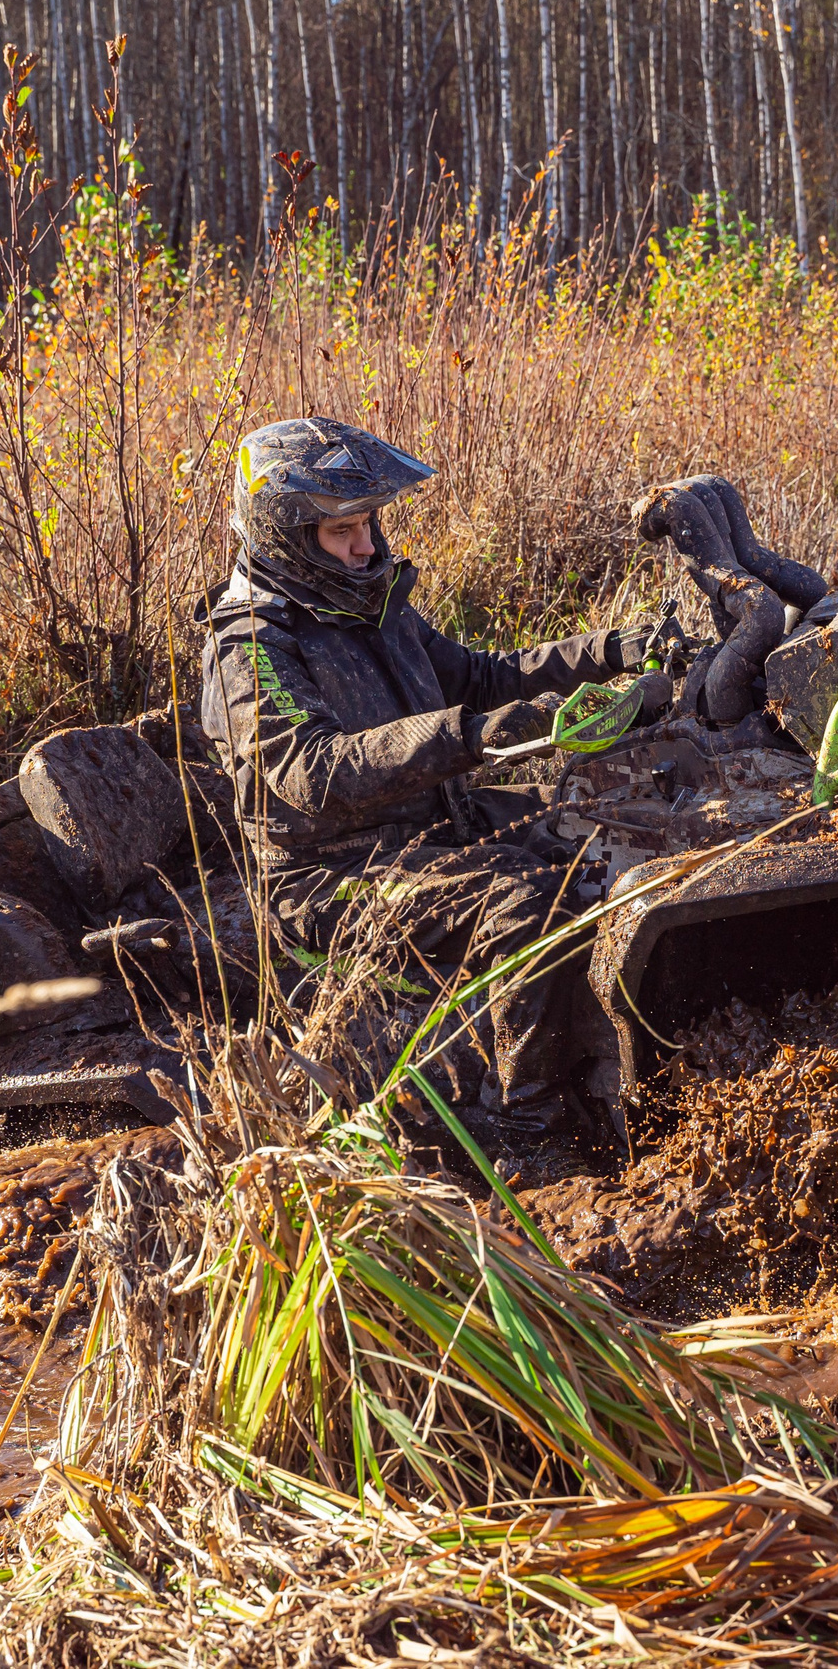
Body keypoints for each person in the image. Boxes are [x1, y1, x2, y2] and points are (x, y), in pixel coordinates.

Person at [199, 417, 666, 1140]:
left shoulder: (367, 598)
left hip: (434, 823)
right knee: (525, 907)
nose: (364, 546)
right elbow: (311, 770)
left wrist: (610, 649)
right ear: (285, 535)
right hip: (330, 877)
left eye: (368, 524)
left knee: (607, 820)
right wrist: (471, 737)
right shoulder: (253, 646)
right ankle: (524, 1126)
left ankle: (631, 1056)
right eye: (342, 532)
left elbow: (480, 675)